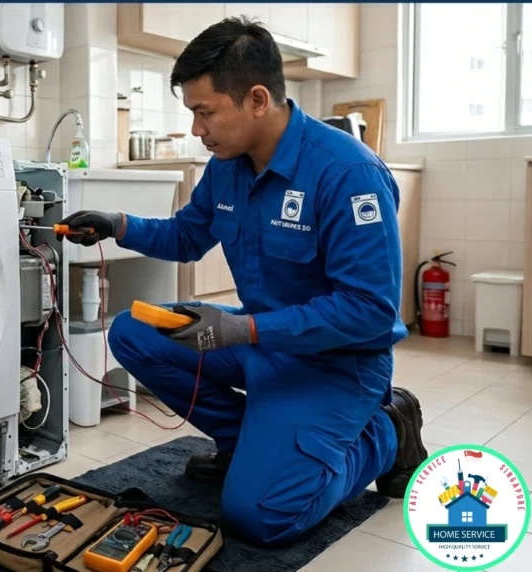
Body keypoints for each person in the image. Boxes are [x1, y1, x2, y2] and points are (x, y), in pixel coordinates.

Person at [60, 17, 427, 546]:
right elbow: (187, 236)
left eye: (204, 112)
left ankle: (387, 432)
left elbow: (369, 310)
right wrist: (117, 225)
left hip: (338, 365)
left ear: (257, 99)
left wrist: (243, 331)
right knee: (131, 334)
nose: (196, 130)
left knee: (262, 516)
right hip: (260, 343)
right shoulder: (228, 165)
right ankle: (243, 441)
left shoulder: (347, 174)